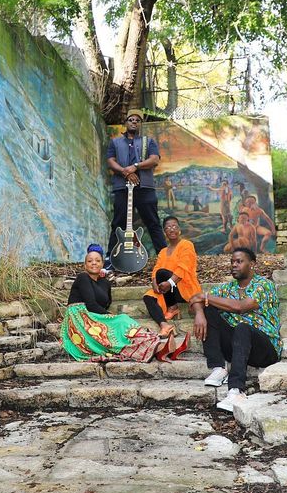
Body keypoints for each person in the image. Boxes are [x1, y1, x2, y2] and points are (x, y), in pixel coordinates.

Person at [190, 247, 281, 411]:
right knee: (208, 309)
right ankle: (219, 367)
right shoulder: (227, 288)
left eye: (239, 261)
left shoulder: (264, 285)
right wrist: (199, 313)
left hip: (265, 350)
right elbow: (194, 299)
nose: (234, 265)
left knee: (242, 328)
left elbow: (240, 307)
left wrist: (205, 297)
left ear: (252, 264)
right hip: (237, 348)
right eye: (232, 262)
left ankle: (236, 390)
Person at [61, 245, 188, 362]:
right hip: (79, 318)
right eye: (89, 261)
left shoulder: (104, 283)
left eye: (97, 260)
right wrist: (110, 316)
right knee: (121, 320)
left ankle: (160, 348)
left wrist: (108, 315)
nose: (94, 263)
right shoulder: (83, 277)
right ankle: (158, 348)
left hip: (94, 316)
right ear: (85, 265)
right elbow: (91, 304)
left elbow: (106, 303)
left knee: (122, 323)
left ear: (103, 264)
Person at [106, 110, 165, 266]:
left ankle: (165, 258)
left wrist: (135, 166)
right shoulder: (115, 142)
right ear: (126, 122)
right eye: (131, 119)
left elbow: (154, 159)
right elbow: (111, 161)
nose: (134, 122)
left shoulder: (148, 141)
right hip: (122, 188)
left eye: (137, 120)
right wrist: (125, 172)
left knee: (153, 222)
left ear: (140, 124)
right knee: (118, 222)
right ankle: (110, 260)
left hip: (145, 187)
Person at [142, 216, 203, 337]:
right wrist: (154, 283)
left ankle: (172, 306)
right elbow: (156, 268)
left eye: (174, 226)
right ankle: (164, 325)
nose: (171, 229)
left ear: (179, 229)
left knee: (162, 273)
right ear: (165, 232)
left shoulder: (186, 245)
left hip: (184, 288)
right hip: (166, 289)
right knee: (148, 297)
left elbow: (183, 267)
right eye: (168, 227)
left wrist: (170, 282)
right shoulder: (163, 251)